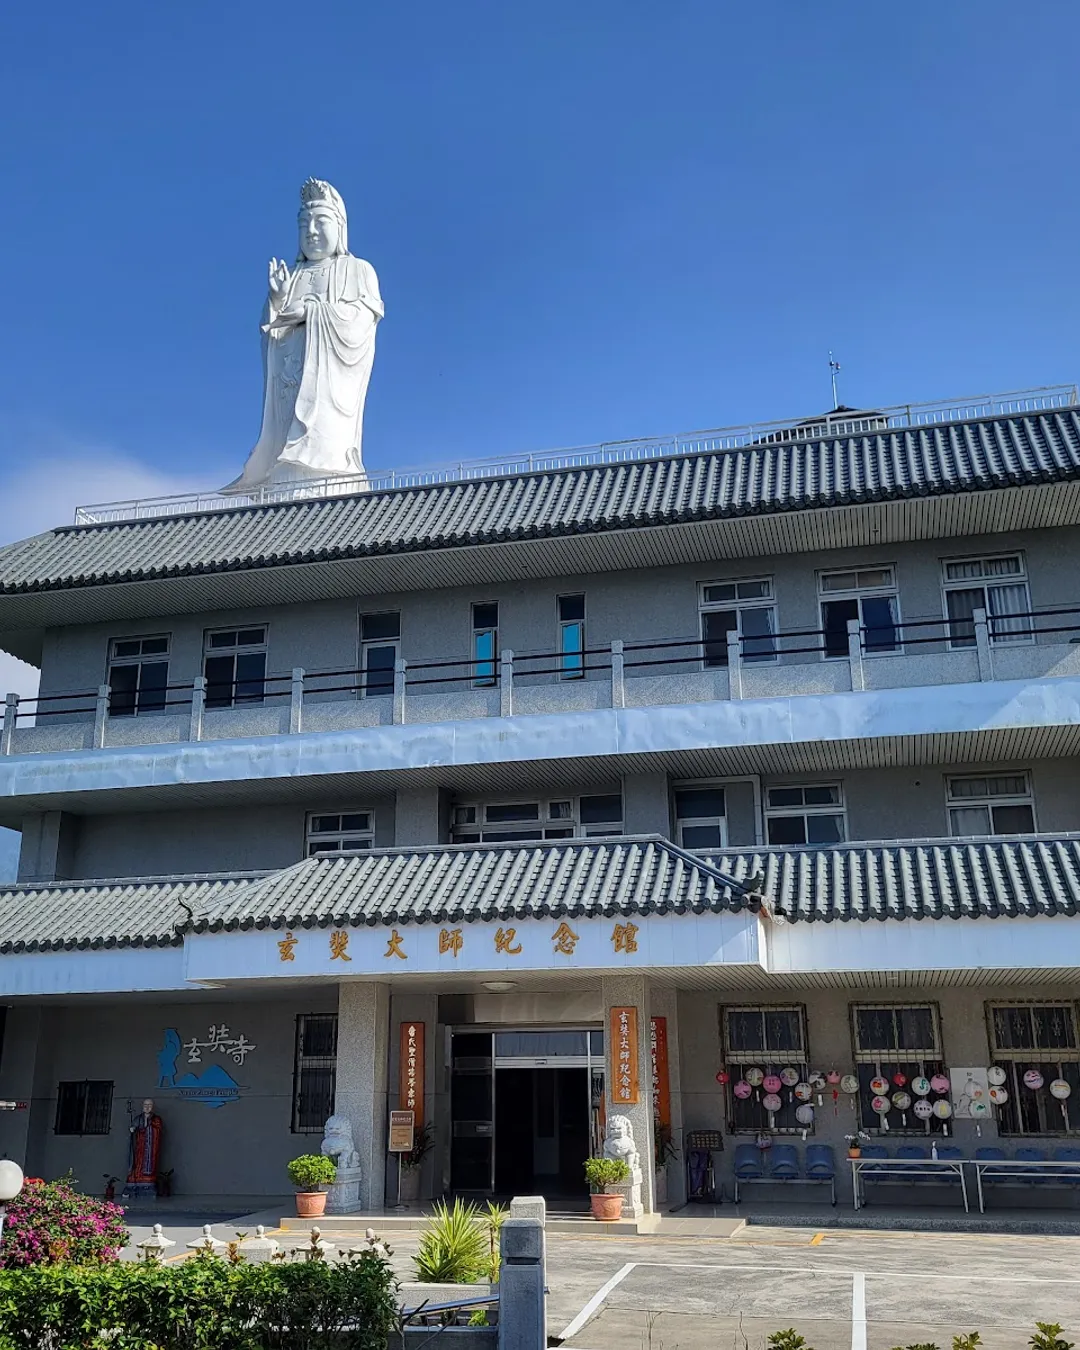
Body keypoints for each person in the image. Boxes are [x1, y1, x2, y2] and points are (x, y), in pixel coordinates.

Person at [225, 178, 384, 492]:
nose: (311, 231)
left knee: (327, 465)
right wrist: (276, 301)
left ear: (340, 228)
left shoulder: (358, 270)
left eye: (320, 222)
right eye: (304, 224)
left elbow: (362, 321)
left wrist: (311, 312)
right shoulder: (293, 275)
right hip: (291, 385)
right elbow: (270, 335)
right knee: (282, 461)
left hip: (328, 396)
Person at [127, 1098, 163, 1190]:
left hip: (151, 1146)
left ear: (152, 1107)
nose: (147, 1107)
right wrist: (133, 1129)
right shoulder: (138, 1118)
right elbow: (134, 1127)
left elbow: (158, 1130)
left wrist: (150, 1128)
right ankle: (136, 1176)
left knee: (150, 1160)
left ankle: (148, 1177)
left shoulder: (156, 1119)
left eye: (149, 1105)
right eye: (145, 1105)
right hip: (140, 1145)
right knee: (138, 1159)